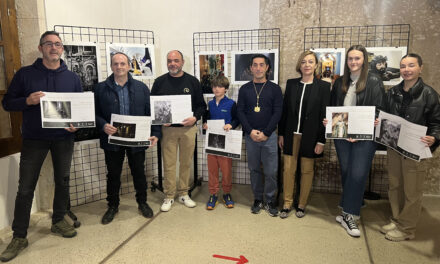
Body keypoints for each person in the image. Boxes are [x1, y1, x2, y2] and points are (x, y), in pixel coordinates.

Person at [0, 31, 82, 262]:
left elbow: (78, 109)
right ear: (40, 48)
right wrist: (27, 101)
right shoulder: (25, 75)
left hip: (64, 139)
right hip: (34, 139)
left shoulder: (73, 78)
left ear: (62, 49)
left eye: (57, 44)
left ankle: (57, 221)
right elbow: (7, 103)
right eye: (49, 44)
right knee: (25, 188)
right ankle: (19, 236)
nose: (53, 48)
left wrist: (76, 125)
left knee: (63, 181)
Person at [94, 52, 160, 224]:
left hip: (136, 139)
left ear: (129, 66)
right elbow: (94, 113)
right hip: (112, 139)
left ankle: (142, 203)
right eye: (116, 64)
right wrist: (102, 125)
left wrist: (155, 133)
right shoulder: (100, 88)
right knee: (113, 174)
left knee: (139, 172)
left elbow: (150, 113)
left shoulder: (142, 88)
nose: (119, 67)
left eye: (123, 63)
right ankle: (113, 206)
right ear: (111, 66)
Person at [380, 53, 440, 241]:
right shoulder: (393, 92)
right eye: (403, 66)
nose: (406, 70)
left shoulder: (429, 94)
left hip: (416, 150)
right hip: (395, 147)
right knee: (395, 185)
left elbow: (437, 122)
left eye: (411, 65)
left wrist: (435, 137)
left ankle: (407, 229)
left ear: (420, 68)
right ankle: (397, 219)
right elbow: (387, 117)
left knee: (412, 191)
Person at [328, 44, 386, 237]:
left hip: (364, 135)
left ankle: (349, 214)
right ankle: (354, 203)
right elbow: (333, 106)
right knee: (347, 171)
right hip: (342, 133)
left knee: (358, 173)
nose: (353, 62)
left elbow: (378, 109)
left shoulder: (374, 80)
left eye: (357, 58)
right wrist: (329, 120)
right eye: (350, 59)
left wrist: (359, 131)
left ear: (364, 60)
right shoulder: (339, 82)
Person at [151, 50, 206, 212]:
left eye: (176, 60)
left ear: (182, 62)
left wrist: (195, 118)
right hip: (168, 131)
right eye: (169, 61)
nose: (172, 64)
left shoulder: (193, 81)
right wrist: (161, 119)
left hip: (188, 129)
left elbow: (201, 106)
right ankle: (168, 195)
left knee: (185, 163)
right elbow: (153, 106)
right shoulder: (159, 82)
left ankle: (183, 193)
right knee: (168, 164)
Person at [278, 50, 331, 219]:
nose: (306, 65)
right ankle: (287, 203)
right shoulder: (292, 84)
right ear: (299, 65)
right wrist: (281, 134)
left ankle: (301, 204)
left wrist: (321, 141)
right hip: (290, 134)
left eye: (310, 62)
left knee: (307, 171)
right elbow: (285, 112)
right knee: (288, 170)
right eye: (303, 62)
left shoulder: (323, 87)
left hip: (310, 136)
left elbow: (325, 115)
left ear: (316, 65)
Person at [237, 54, 283, 217]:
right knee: (254, 169)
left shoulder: (274, 88)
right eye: (255, 65)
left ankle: (270, 200)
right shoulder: (244, 89)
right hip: (251, 137)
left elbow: (278, 112)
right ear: (250, 68)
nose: (258, 68)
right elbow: (240, 112)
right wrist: (250, 131)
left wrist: (266, 133)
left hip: (269, 137)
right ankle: (258, 199)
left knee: (271, 171)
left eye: (261, 65)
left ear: (267, 68)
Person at [202, 75, 240, 210]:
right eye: (214, 86)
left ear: (226, 89)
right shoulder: (210, 104)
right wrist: (205, 125)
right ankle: (213, 194)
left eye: (220, 86)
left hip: (226, 141)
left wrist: (231, 125)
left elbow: (237, 120)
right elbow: (207, 120)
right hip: (212, 141)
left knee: (226, 170)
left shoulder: (231, 104)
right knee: (212, 169)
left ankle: (227, 193)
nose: (217, 89)